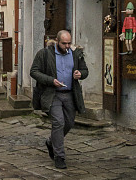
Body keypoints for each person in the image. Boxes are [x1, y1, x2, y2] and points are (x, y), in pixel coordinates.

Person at [30, 29, 88, 171]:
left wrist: (80, 74)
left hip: (69, 94)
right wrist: (51, 80)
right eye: (64, 43)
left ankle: (51, 142)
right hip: (52, 94)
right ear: (57, 41)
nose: (67, 46)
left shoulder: (76, 54)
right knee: (58, 122)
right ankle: (59, 156)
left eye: (69, 43)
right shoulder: (44, 54)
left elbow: (85, 71)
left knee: (69, 123)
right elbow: (34, 71)